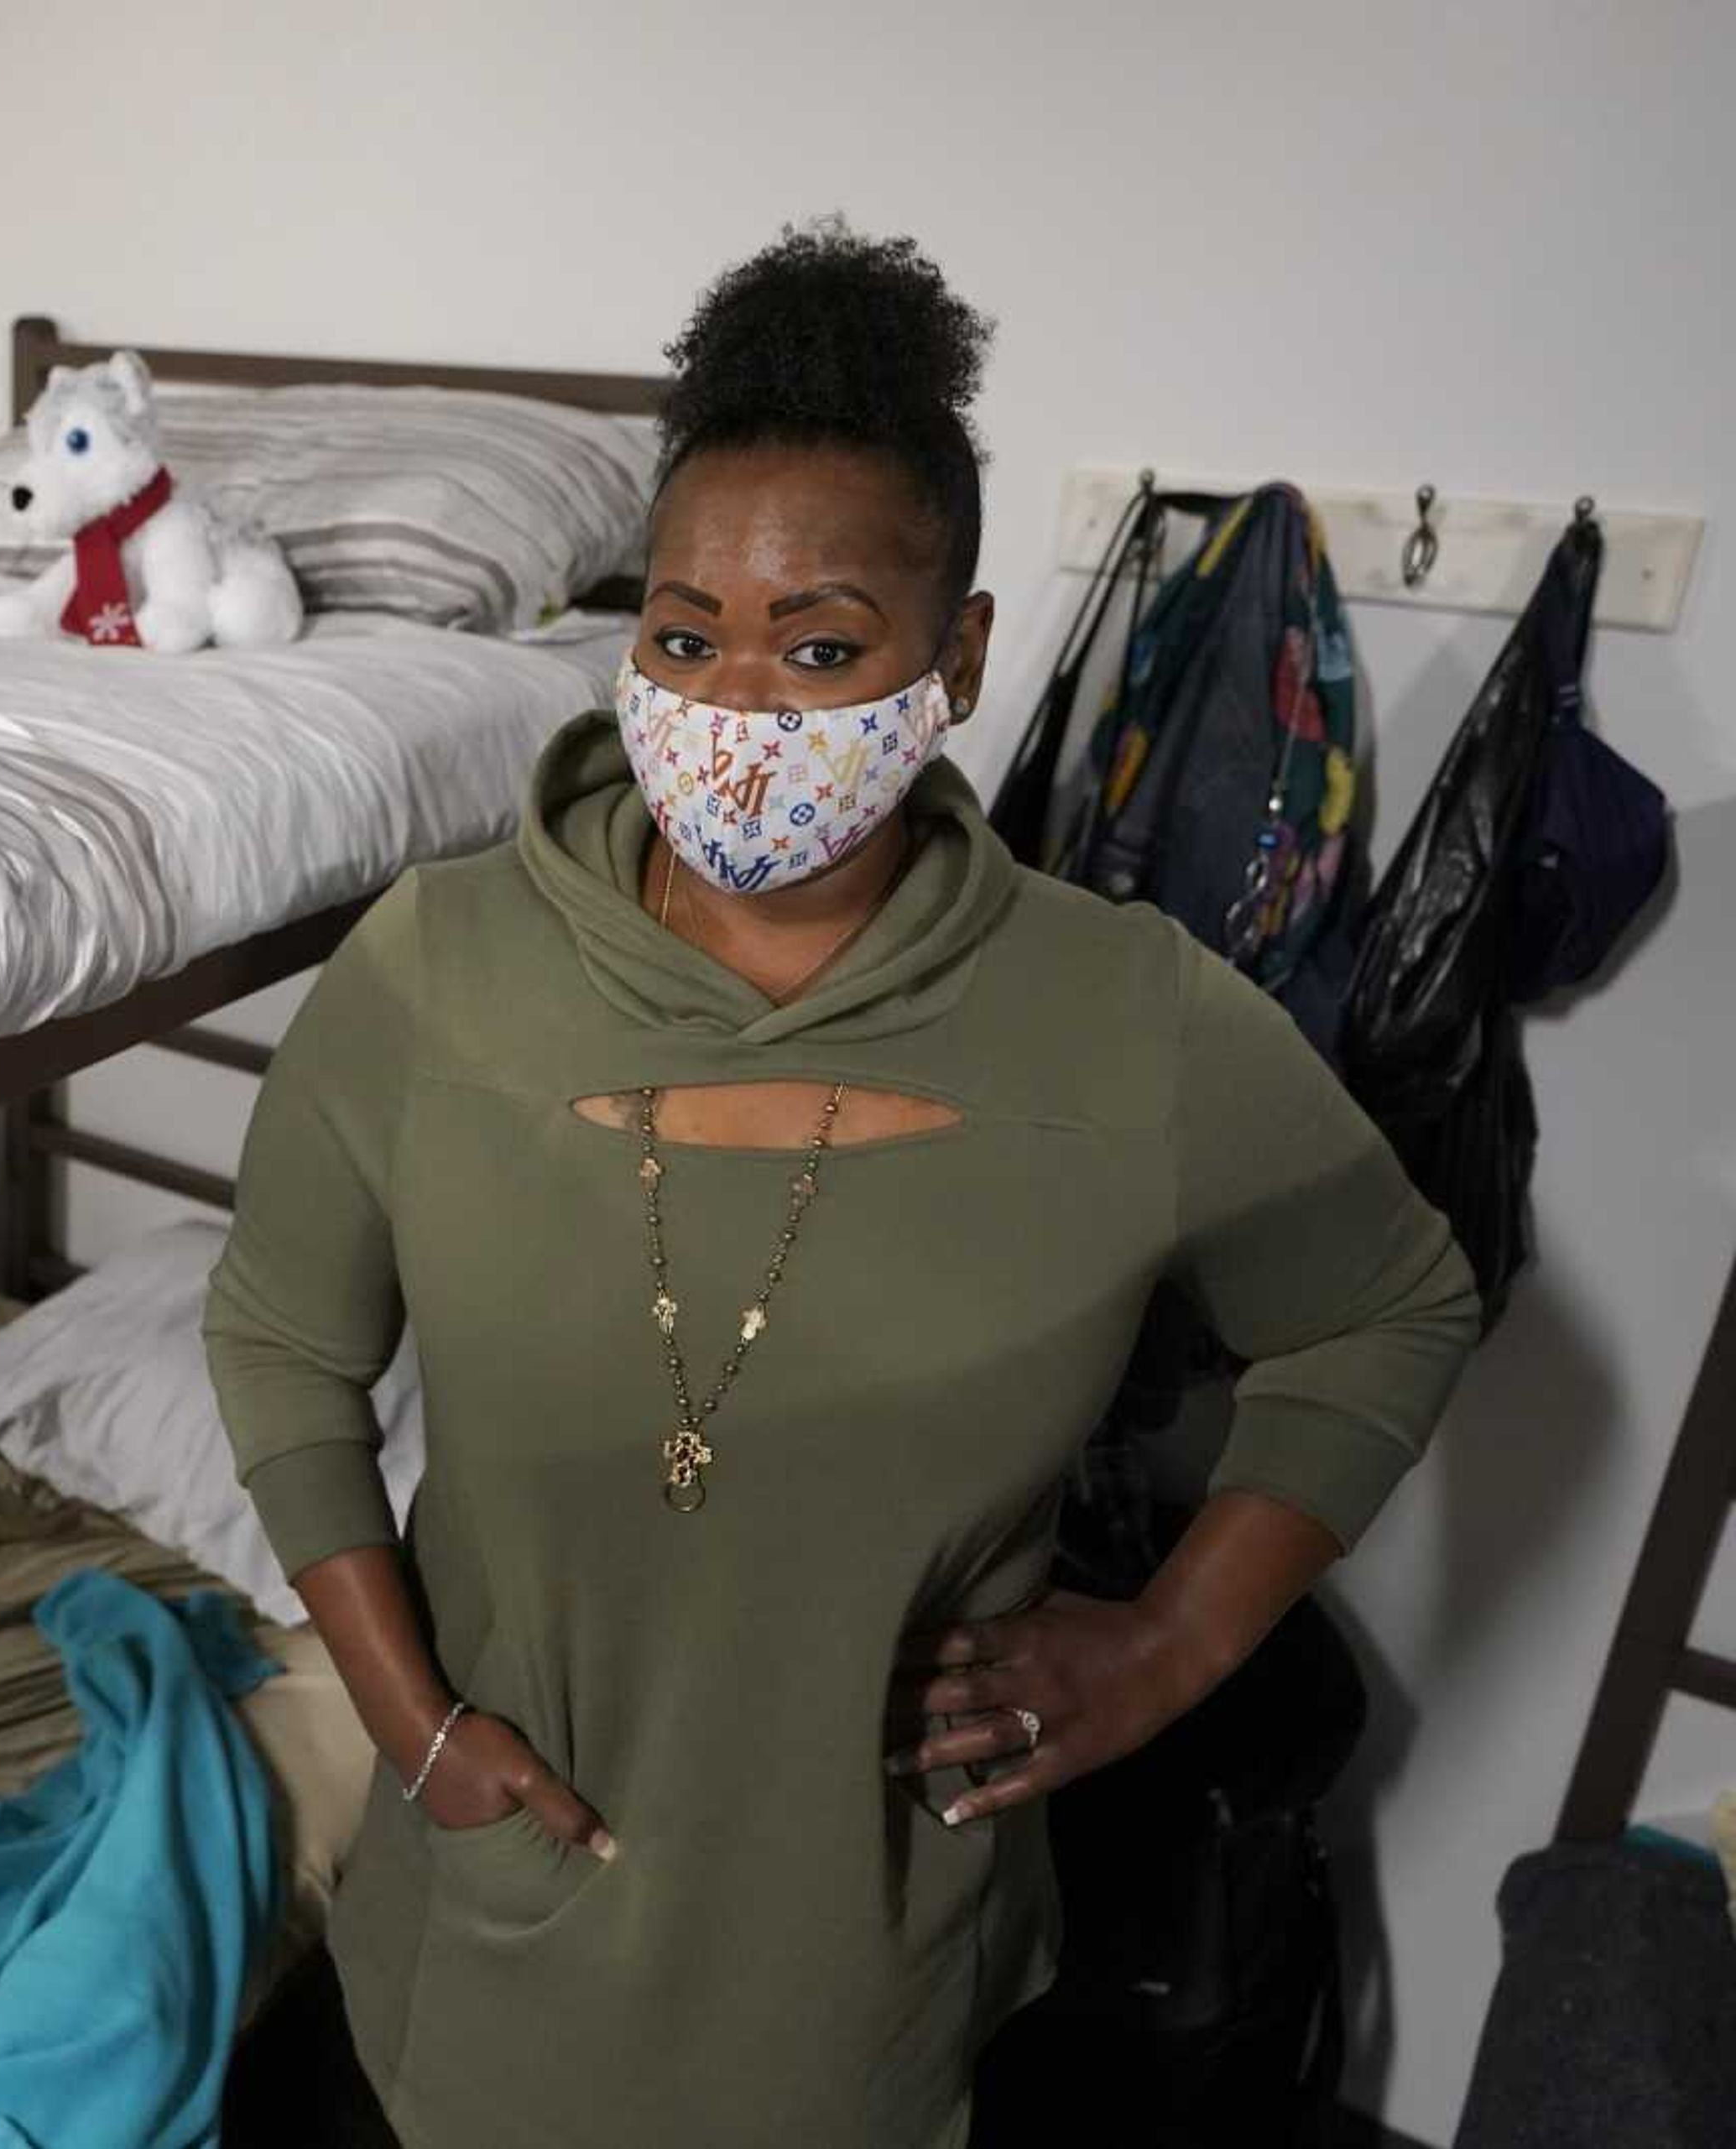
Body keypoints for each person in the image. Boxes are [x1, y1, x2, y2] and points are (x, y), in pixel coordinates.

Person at [203, 222, 1481, 2148]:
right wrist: (409, 1722)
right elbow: (281, 1334)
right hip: (485, 1915)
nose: (737, 714)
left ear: (955, 660)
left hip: (866, 1957)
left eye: (821, 647)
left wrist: (1176, 1642)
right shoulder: (433, 968)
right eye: (681, 634)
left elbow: (1392, 1304)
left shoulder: (1122, 1022)